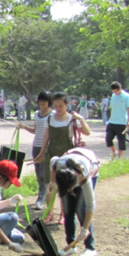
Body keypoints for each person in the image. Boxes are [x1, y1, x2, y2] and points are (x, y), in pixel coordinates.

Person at [34, 92, 91, 224]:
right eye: (55, 106)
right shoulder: (50, 118)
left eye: (61, 106)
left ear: (67, 105)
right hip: (51, 154)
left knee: (65, 185)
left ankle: (63, 213)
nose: (58, 109)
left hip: (68, 155)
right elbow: (46, 137)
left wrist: (81, 119)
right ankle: (49, 213)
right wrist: (41, 153)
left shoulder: (72, 118)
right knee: (50, 184)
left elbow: (87, 132)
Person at [50, 148, 100, 256]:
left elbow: (90, 206)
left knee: (81, 210)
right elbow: (53, 161)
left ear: (73, 185)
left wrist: (84, 229)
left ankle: (90, 247)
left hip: (91, 164)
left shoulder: (84, 177)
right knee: (68, 211)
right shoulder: (59, 167)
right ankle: (71, 246)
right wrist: (52, 182)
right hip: (71, 162)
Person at [19, 90, 53, 210]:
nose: (42, 103)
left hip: (47, 148)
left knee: (44, 174)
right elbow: (35, 130)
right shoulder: (37, 114)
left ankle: (41, 199)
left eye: (45, 101)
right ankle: (43, 196)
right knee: (39, 175)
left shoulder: (52, 115)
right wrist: (24, 127)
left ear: (49, 102)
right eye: (41, 100)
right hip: (36, 146)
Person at [107, 82, 129, 159]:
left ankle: (119, 158)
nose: (115, 93)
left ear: (120, 89)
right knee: (108, 139)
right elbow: (112, 107)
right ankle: (113, 152)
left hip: (122, 122)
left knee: (121, 141)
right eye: (113, 91)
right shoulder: (113, 96)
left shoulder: (126, 96)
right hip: (112, 121)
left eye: (116, 91)